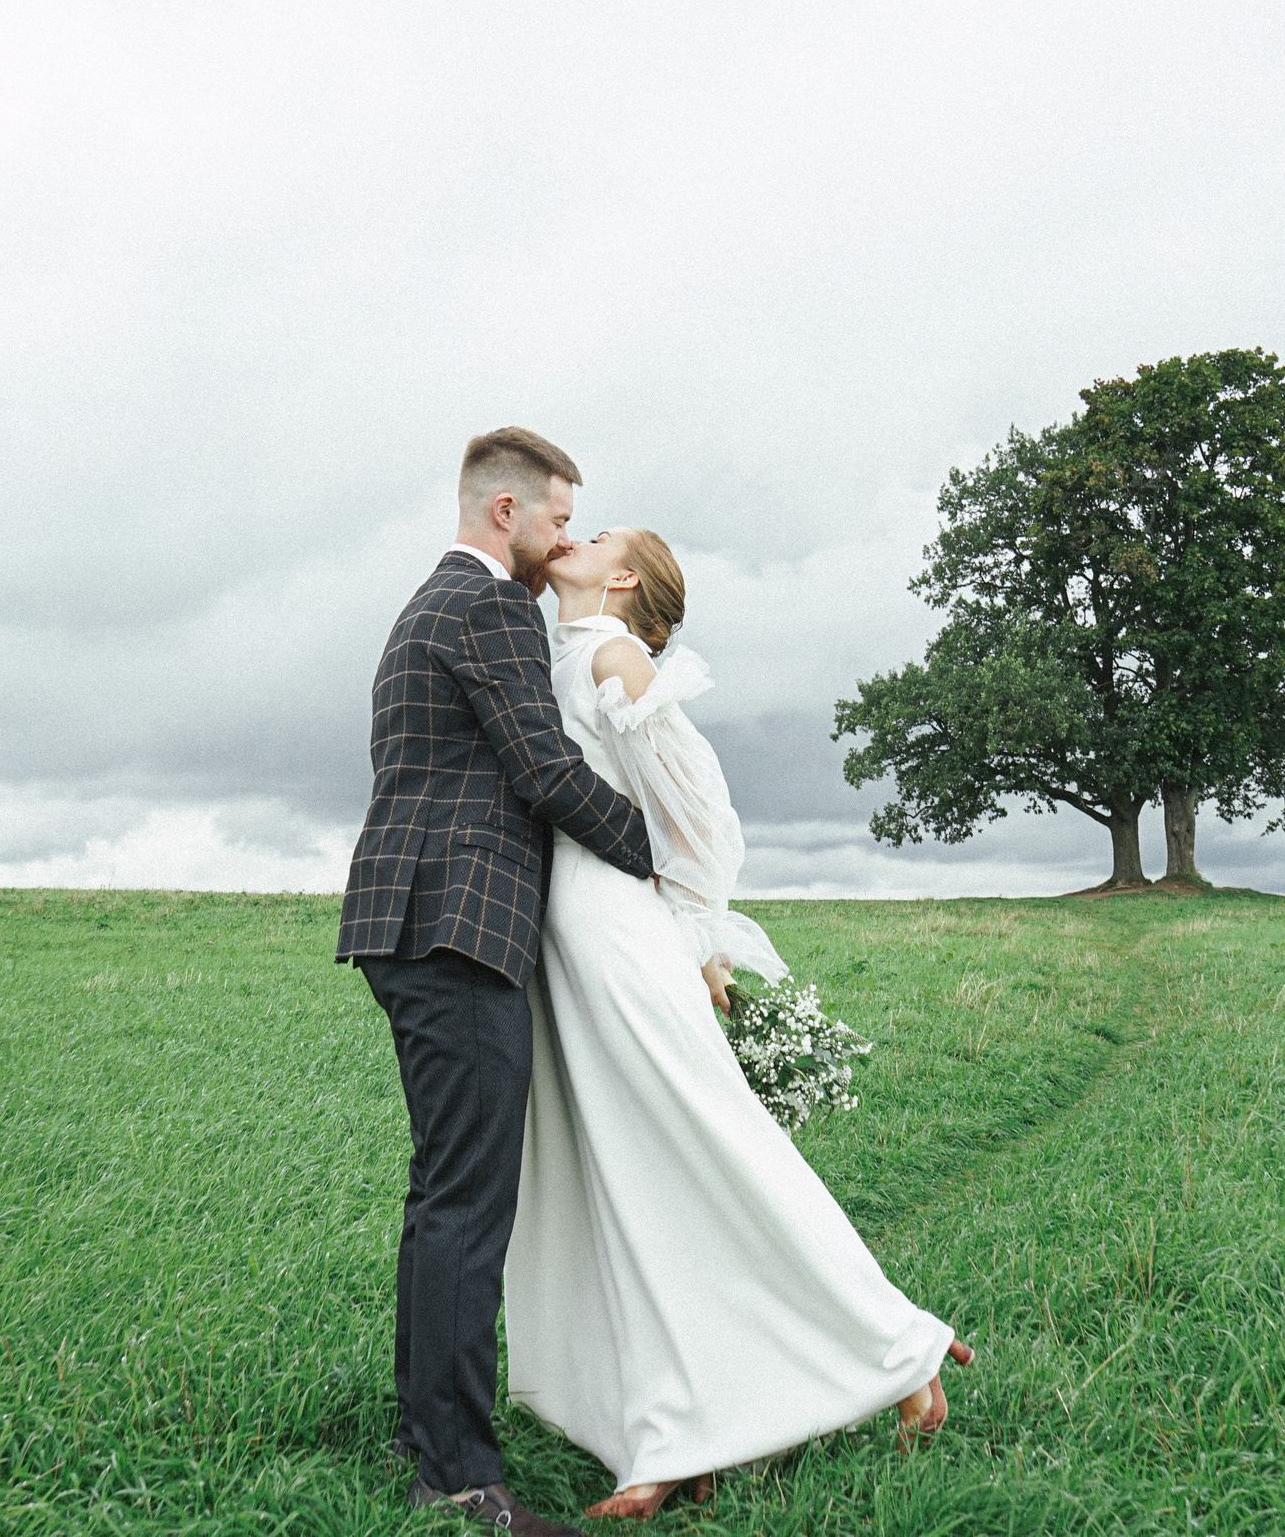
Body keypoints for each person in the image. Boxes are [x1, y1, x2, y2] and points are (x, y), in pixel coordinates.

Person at [503, 524, 973, 1520]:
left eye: (591, 533)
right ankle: (673, 1430)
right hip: (568, 950)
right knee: (626, 1181)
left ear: (622, 578)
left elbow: (699, 816)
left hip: (617, 940)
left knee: (713, 1150)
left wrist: (697, 933)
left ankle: (896, 1345)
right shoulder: (556, 651)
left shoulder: (609, 653)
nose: (567, 537)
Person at [335, 428, 656, 1537]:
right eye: (562, 519)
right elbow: (545, 769)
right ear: (507, 512)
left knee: (447, 1194)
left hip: (418, 921)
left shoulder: (435, 602)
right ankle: (460, 1479)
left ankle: (427, 1431)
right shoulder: (488, 607)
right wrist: (658, 857)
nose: (569, 536)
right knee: (467, 1204)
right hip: (454, 925)